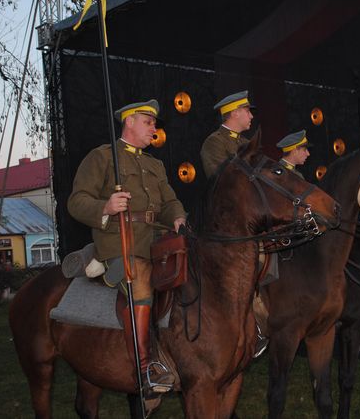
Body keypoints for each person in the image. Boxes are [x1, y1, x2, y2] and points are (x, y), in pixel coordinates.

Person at [67, 99, 186, 397]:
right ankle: (145, 367)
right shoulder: (103, 157)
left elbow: (169, 201)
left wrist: (178, 217)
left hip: (155, 239)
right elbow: (76, 201)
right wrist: (105, 206)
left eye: (154, 123)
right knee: (141, 279)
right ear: (130, 122)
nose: (154, 128)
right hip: (120, 239)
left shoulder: (154, 164)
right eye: (149, 122)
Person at [200, 90, 255, 177]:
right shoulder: (215, 142)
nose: (251, 116)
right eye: (248, 111)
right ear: (235, 114)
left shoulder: (246, 142)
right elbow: (222, 178)